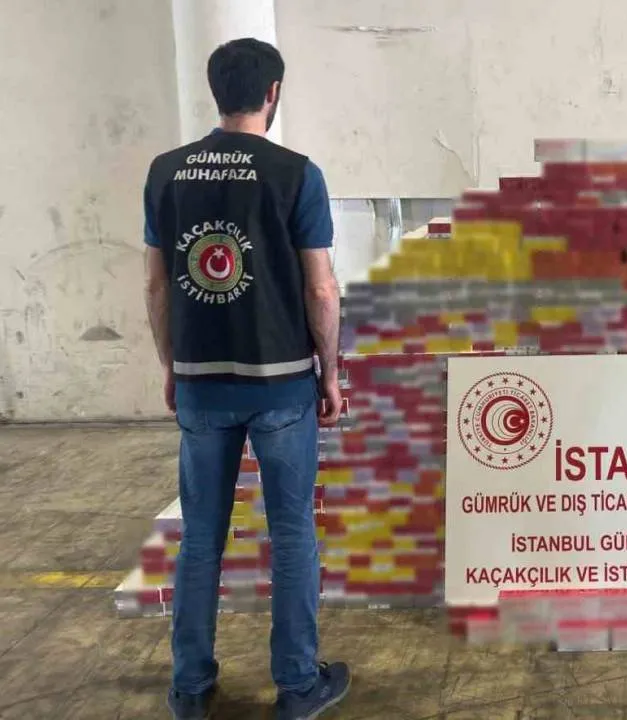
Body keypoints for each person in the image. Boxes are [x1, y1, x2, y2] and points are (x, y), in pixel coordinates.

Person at [142, 37, 349, 720]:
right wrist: (330, 373)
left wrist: (171, 364)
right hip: (281, 383)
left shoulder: (166, 172)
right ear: (273, 92)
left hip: (201, 382)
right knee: (291, 533)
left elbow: (156, 284)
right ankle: (297, 685)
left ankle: (190, 686)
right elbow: (320, 289)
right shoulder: (296, 174)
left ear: (215, 92)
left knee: (201, 536)